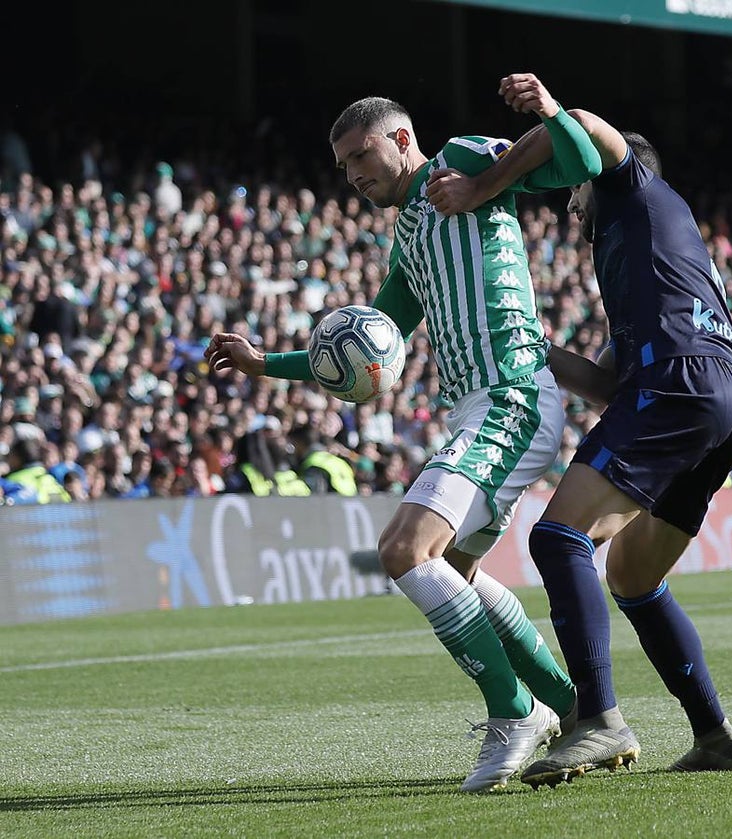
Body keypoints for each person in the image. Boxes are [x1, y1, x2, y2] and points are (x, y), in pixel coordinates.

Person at [204, 75, 603, 792]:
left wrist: (516, 147)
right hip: (481, 409)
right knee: (454, 573)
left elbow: (577, 161)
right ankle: (578, 710)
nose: (354, 175)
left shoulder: (460, 158)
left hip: (509, 394)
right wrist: (267, 363)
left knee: (403, 549)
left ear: (400, 139)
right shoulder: (412, 234)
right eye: (343, 166)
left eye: (361, 155)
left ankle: (515, 711)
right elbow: (374, 339)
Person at [428, 75, 732, 787]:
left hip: (677, 383)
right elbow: (608, 384)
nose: (568, 202)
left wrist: (494, 177)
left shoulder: (631, 188)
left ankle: (599, 718)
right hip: (724, 397)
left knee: (557, 535)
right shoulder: (653, 242)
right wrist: (528, 345)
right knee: (634, 576)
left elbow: (579, 123)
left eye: (572, 189)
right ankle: (715, 734)